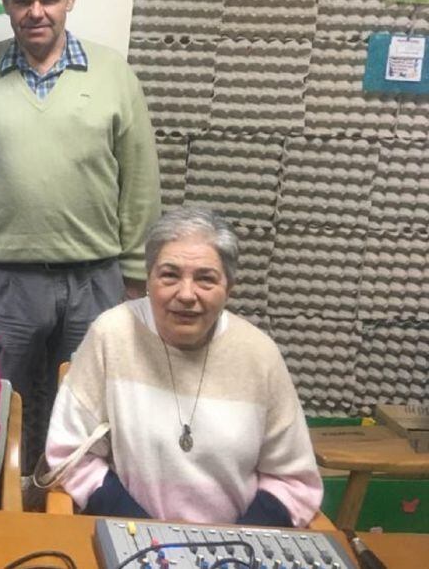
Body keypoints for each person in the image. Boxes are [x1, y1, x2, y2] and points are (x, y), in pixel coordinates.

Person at [0, 0, 161, 471]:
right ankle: (4, 512)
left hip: (96, 277)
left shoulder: (114, 74)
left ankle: (73, 507)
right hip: (4, 281)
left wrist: (137, 274)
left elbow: (139, 180)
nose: (36, 11)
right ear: (5, 1)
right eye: (23, 0)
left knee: (91, 409)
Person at [44, 207, 323, 526]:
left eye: (205, 279)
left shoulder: (260, 355)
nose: (187, 294)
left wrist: (234, 547)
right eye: (170, 275)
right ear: (149, 280)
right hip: (131, 535)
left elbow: (293, 480)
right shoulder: (111, 335)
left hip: (238, 548)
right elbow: (71, 453)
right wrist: (146, 536)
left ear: (229, 289)